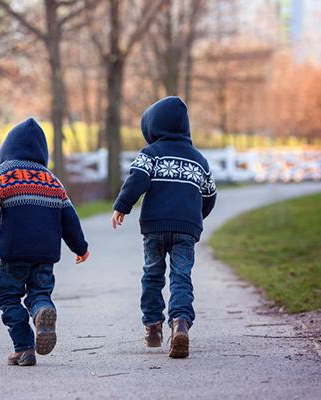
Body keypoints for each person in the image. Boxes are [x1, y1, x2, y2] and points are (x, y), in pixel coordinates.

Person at [0, 117, 90, 366]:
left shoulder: (4, 173)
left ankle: (24, 347)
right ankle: (41, 312)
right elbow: (69, 217)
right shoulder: (51, 180)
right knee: (39, 292)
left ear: (6, 150)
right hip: (45, 254)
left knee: (8, 298)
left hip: (14, 253)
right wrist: (80, 247)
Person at [111, 97, 216, 358]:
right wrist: (195, 219)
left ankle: (153, 327)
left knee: (152, 274)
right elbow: (209, 195)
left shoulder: (150, 154)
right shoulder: (199, 160)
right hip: (186, 230)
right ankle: (180, 323)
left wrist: (122, 206)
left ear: (154, 127)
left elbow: (137, 180)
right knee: (181, 276)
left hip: (154, 227)